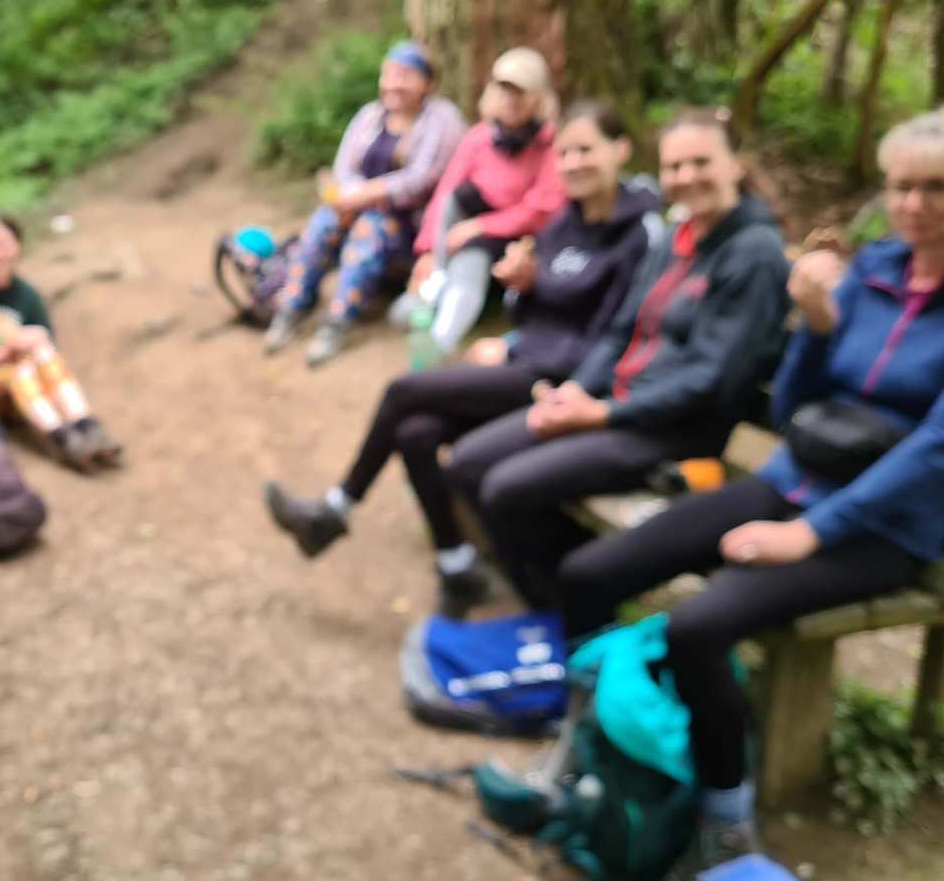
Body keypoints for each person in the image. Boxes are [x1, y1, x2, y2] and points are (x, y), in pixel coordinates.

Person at [558, 107, 944, 881]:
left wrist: (814, 534)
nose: (914, 205)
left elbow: (943, 449)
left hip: (887, 526)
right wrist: (817, 327)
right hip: (792, 481)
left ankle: (726, 817)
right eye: (900, 187)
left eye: (937, 187)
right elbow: (792, 412)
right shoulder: (876, 270)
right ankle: (596, 746)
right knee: (590, 572)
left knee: (698, 628)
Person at [263, 102, 664, 614]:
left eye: (586, 150)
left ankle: (334, 511)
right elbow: (538, 311)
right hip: (530, 364)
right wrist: (524, 290)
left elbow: (621, 331)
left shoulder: (642, 233)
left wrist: (560, 380)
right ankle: (456, 567)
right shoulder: (566, 220)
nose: (573, 163)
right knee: (415, 434)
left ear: (621, 150)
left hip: (568, 383)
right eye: (564, 153)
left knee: (402, 391)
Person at [442, 108, 793, 612]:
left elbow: (712, 378)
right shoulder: (675, 239)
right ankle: (560, 590)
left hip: (674, 431)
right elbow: (620, 330)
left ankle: (563, 615)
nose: (687, 177)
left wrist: (602, 413)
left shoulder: (754, 254)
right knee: (470, 461)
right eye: (675, 167)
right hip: (615, 405)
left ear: (735, 164)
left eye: (702, 162)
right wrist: (577, 390)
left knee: (504, 488)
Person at [263, 40, 467, 366]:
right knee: (324, 221)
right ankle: (292, 305)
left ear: (428, 83)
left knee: (370, 229)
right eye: (389, 73)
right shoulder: (370, 116)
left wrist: (364, 196)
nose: (395, 83)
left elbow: (422, 179)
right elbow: (345, 168)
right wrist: (348, 196)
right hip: (360, 210)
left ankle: (337, 321)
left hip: (415, 226)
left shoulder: (443, 120)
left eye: (406, 75)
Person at [0, 213, 123, 472]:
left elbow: (48, 345)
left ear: (17, 246)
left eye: (3, 245)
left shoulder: (27, 295)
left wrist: (33, 339)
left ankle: (85, 425)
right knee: (19, 370)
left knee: (40, 353)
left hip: (26, 380)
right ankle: (61, 438)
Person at [405, 47, 567, 362]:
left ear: (538, 98)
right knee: (460, 216)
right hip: (468, 235)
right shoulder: (479, 137)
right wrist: (427, 249)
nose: (510, 99)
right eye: (504, 89)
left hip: (523, 239)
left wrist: (479, 226)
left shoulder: (551, 145)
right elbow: (445, 192)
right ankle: (434, 291)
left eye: (519, 91)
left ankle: (438, 340)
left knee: (473, 252)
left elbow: (542, 209)